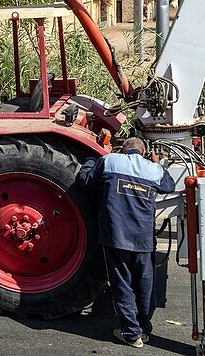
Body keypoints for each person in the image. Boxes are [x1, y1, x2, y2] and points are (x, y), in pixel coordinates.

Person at [76, 137, 175, 348]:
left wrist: (93, 159)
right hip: (144, 239)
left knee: (123, 285)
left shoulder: (111, 161)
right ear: (144, 151)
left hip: (116, 237)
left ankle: (131, 333)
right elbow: (169, 186)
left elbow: (84, 181)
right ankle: (144, 329)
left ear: (123, 150)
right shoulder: (153, 170)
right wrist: (156, 163)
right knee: (145, 285)